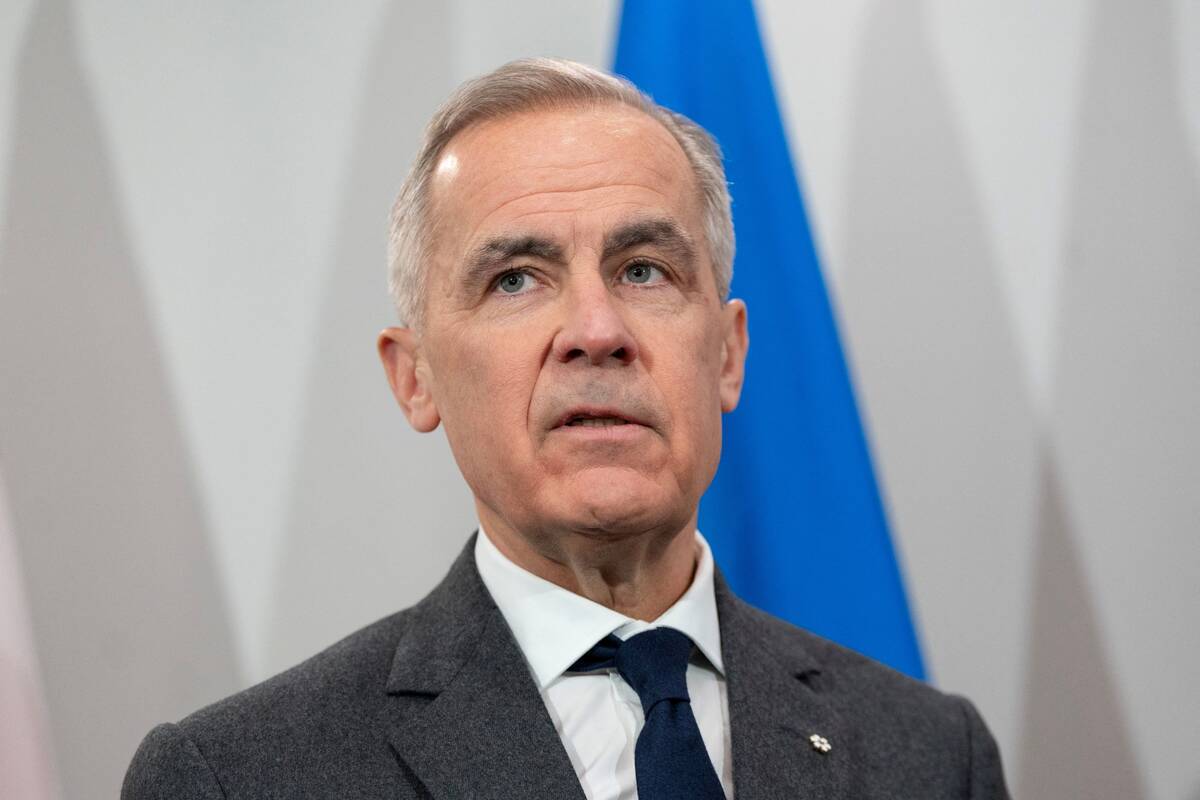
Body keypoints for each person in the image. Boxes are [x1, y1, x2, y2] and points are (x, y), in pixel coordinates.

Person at [123, 57, 1009, 799]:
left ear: (728, 354)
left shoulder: (932, 757)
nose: (597, 331)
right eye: (516, 278)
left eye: (646, 270)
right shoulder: (235, 779)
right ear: (415, 376)